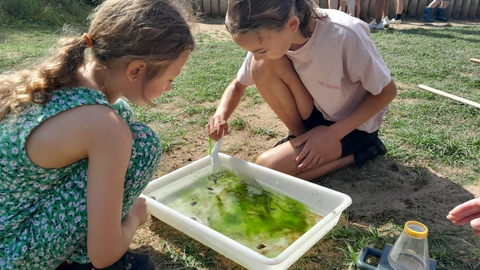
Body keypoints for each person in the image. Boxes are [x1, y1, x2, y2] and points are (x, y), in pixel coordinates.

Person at [0, 0, 195, 269]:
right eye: (171, 79)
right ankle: (78, 263)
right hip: (12, 255)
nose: (170, 88)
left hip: (9, 226)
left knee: (123, 115)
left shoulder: (65, 80)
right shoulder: (104, 126)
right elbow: (103, 256)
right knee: (144, 144)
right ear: (136, 70)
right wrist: (135, 217)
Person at [206, 0, 397, 181]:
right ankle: (302, 137)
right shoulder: (270, 34)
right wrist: (220, 115)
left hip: (353, 128)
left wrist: (330, 135)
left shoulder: (344, 34)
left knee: (267, 168)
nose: (256, 55)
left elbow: (387, 92)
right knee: (260, 66)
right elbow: (237, 85)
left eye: (261, 50)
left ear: (292, 24)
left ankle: (361, 153)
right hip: (315, 116)